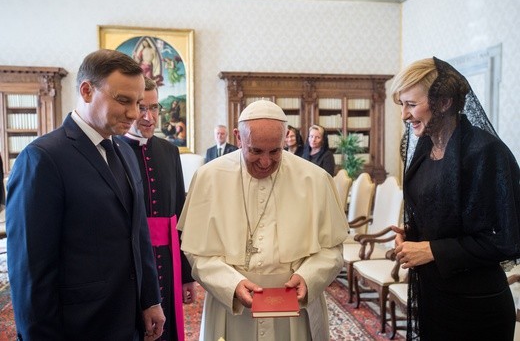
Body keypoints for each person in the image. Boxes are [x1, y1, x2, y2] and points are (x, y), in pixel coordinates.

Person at [6, 49, 165, 340]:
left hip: (127, 321)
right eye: (123, 100)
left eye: (139, 103)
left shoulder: (125, 153)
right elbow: (30, 272)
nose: (134, 113)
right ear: (87, 90)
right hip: (76, 326)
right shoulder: (42, 158)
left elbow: (137, 234)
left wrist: (149, 299)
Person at [177, 100, 348, 341]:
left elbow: (332, 249)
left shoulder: (315, 179)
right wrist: (230, 284)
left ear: (285, 139)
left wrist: (310, 277)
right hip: (232, 310)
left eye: (275, 151)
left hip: (293, 310)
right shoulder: (208, 178)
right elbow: (196, 252)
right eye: (255, 151)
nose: (265, 162)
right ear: (238, 137)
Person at [391, 57, 520, 340]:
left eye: (411, 104)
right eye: (402, 105)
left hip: (477, 308)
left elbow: (509, 240)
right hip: (434, 297)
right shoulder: (424, 148)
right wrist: (412, 236)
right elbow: (445, 218)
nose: (404, 115)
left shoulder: (487, 153)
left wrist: (432, 250)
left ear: (445, 102)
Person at [120, 77, 197, 341]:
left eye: (154, 108)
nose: (149, 117)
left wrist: (187, 275)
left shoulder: (169, 151)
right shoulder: (114, 149)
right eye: (142, 107)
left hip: (167, 258)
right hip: (131, 260)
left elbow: (180, 214)